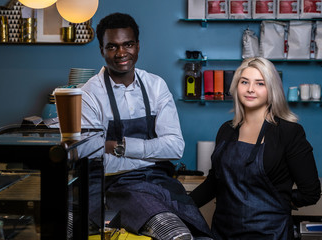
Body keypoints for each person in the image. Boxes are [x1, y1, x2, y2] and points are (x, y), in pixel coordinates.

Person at [81, 12, 212, 240]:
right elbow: (90, 151)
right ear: (101, 50)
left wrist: (117, 146)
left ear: (138, 46)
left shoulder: (156, 86)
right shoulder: (89, 94)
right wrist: (152, 151)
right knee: (176, 234)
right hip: (116, 187)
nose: (121, 53)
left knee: (201, 235)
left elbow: (174, 148)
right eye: (112, 47)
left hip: (159, 183)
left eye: (128, 44)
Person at [190, 57, 321, 240]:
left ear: (272, 89)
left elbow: (311, 192)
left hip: (270, 233)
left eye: (260, 83)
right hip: (223, 232)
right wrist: (179, 205)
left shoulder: (289, 132)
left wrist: (277, 201)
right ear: (237, 86)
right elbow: (214, 183)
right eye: (245, 82)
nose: (250, 89)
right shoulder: (227, 130)